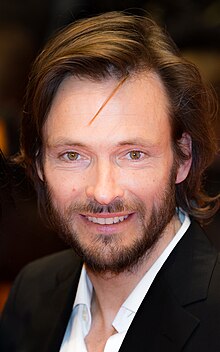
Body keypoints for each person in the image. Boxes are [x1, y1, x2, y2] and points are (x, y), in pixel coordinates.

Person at [0, 11, 220, 352]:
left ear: (183, 158)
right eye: (73, 155)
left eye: (132, 154)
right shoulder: (31, 292)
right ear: (39, 163)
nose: (103, 192)